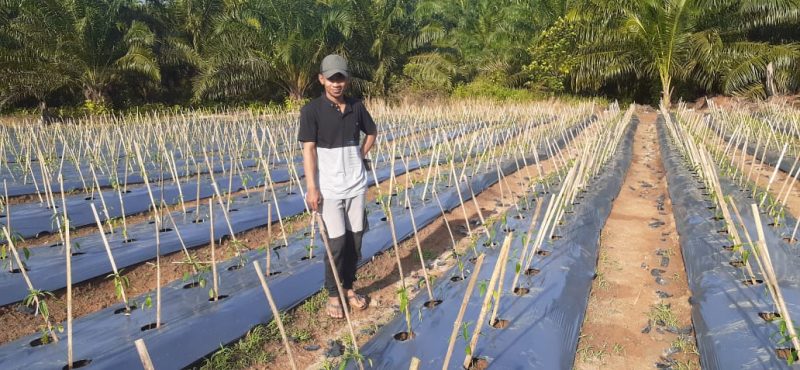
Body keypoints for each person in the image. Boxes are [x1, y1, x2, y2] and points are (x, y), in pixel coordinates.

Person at [297, 54, 377, 319]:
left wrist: (360, 155)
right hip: (329, 189)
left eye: (340, 78)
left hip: (356, 187)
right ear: (321, 79)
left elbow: (372, 132)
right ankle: (333, 294)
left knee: (355, 240)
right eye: (331, 79)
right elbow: (309, 150)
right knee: (336, 244)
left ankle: (349, 288)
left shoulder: (356, 106)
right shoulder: (311, 111)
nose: (336, 83)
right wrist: (312, 188)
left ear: (347, 80)